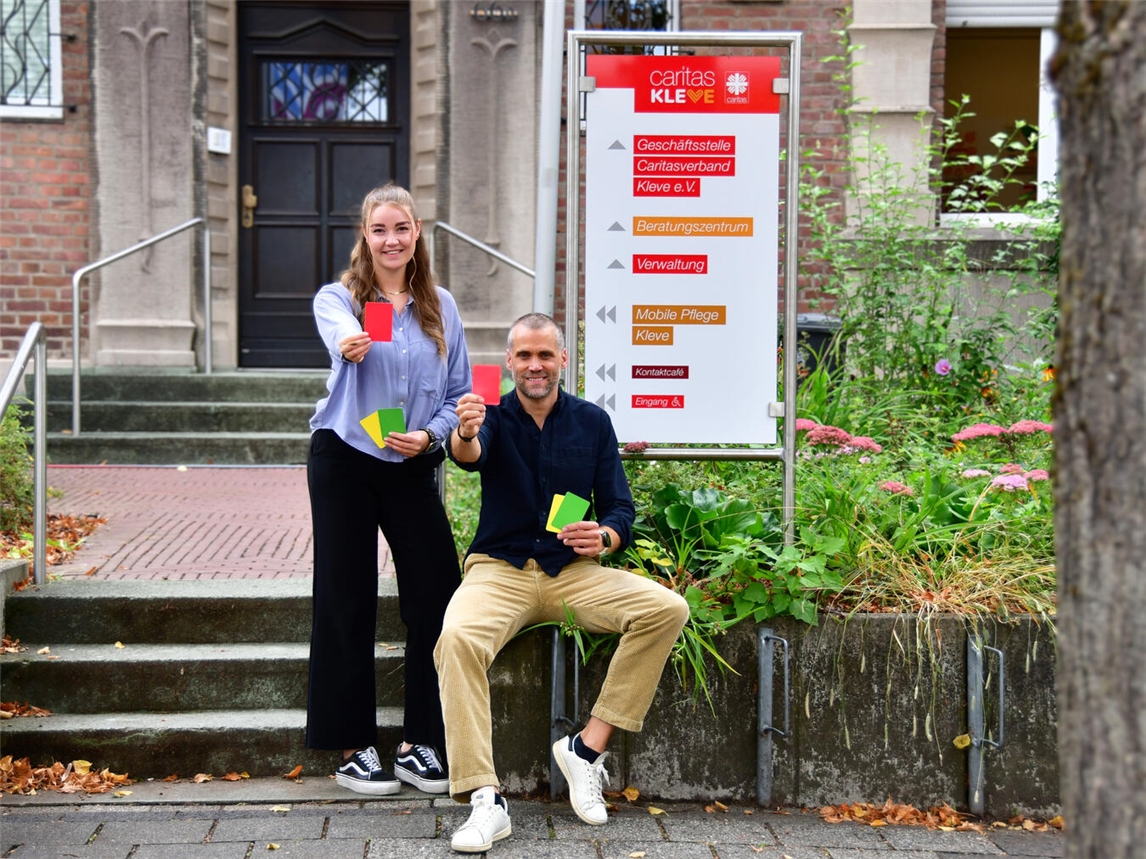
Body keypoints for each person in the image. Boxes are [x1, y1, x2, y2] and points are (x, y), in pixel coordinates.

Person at [435, 312, 690, 853]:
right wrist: (465, 431)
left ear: (563, 360)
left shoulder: (592, 422)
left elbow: (621, 505)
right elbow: (468, 457)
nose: (534, 365)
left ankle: (585, 750)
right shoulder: (494, 417)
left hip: (573, 574)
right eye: (524, 356)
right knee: (455, 640)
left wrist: (605, 537)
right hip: (499, 572)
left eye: (545, 355)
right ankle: (485, 799)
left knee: (666, 609)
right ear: (509, 361)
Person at [306, 184, 469, 796]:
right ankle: (354, 747)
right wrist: (351, 343)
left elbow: (459, 394)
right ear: (366, 236)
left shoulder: (441, 307)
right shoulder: (341, 298)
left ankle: (421, 741)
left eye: (401, 228)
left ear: (417, 230)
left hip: (409, 462)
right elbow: (339, 335)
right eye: (380, 230)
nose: (391, 239)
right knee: (345, 596)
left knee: (436, 596)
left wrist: (431, 436)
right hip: (344, 456)